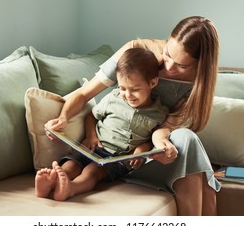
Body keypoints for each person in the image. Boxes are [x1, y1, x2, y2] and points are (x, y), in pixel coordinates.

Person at [45, 16, 221, 215]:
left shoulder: (196, 88)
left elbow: (163, 128)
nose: (169, 67)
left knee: (186, 139)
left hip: (148, 155)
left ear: (200, 66)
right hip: (123, 159)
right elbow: (85, 93)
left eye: (182, 66)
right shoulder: (135, 54)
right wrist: (64, 117)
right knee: (204, 181)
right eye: (167, 54)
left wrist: (162, 146)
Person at [35, 48, 168, 201]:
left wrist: (140, 151)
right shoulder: (114, 99)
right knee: (71, 165)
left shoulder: (159, 113)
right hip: (92, 147)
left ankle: (71, 189)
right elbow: (91, 116)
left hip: (116, 159)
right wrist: (91, 136)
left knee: (92, 172)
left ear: (153, 82)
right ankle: (52, 183)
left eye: (135, 90)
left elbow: (151, 139)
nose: (127, 95)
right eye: (122, 88)